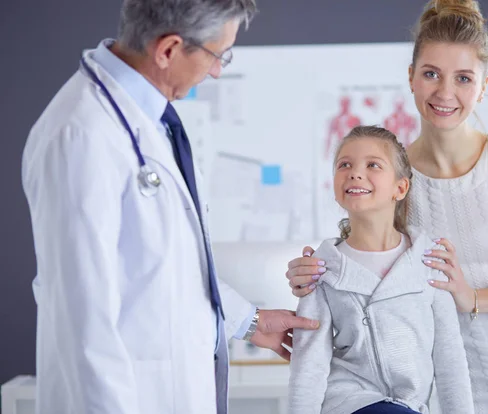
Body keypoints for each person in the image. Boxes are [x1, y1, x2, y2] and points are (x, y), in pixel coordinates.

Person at [286, 1, 488, 413]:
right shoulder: (395, 178)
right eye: (431, 74)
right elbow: (363, 254)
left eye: (463, 78)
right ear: (411, 78)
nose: (445, 93)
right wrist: (314, 271)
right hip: (460, 383)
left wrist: (474, 298)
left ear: (483, 86)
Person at [21, 1, 318, 413]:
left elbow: (165, 267)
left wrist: (249, 321)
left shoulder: (150, 120)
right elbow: (82, 321)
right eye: (217, 55)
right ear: (168, 50)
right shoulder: (82, 135)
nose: (217, 70)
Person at [288, 125, 474, 414]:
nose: (355, 172)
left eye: (372, 165)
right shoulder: (322, 270)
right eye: (344, 164)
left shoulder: (429, 263)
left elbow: (450, 358)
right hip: (350, 402)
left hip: (412, 405)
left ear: (400, 188)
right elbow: (308, 363)